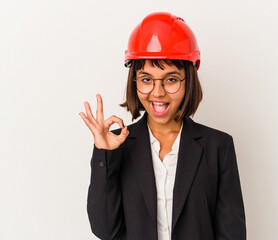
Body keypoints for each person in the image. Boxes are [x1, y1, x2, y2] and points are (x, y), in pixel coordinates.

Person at [79, 12, 246, 240]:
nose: (158, 93)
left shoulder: (218, 147)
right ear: (135, 81)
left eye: (171, 79)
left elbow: (232, 234)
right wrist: (104, 155)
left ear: (188, 81)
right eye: (147, 79)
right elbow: (105, 230)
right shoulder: (117, 145)